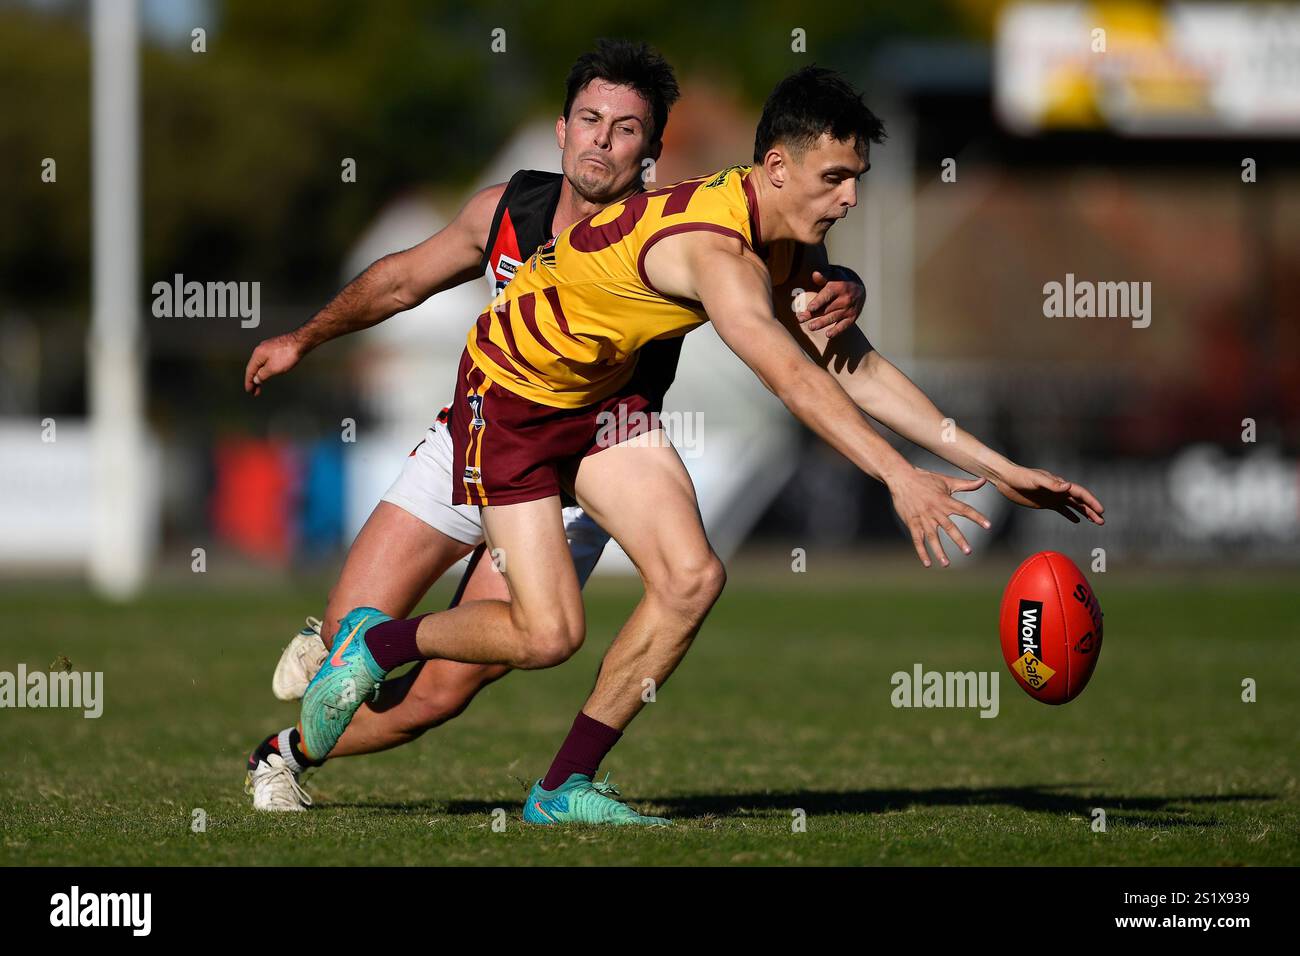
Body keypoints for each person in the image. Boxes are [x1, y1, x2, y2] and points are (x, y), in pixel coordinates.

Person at [295, 66, 1105, 826]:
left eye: (856, 176)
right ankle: (375, 644)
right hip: (511, 404)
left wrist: (998, 469)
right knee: (547, 636)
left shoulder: (778, 233)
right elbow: (790, 376)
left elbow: (848, 363)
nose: (853, 197)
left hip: (600, 409)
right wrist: (897, 475)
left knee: (692, 577)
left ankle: (561, 787)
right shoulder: (717, 250)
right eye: (837, 177)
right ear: (777, 167)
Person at [241, 42, 865, 811]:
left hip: (584, 466)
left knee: (438, 694)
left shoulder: (676, 228)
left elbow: (794, 264)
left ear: (651, 151)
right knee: (347, 648)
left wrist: (842, 283)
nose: (603, 139)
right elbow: (402, 278)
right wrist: (302, 337)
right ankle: (346, 650)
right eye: (590, 120)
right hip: (470, 438)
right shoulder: (506, 208)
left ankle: (282, 755)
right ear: (563, 131)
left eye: (627, 128)